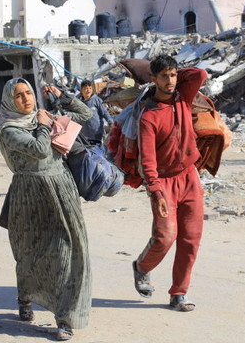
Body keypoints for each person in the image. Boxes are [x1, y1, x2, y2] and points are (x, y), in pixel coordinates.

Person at [0, 78, 94, 341]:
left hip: (61, 188)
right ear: (9, 101)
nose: (26, 99)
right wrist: (43, 124)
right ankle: (25, 297)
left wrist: (62, 96)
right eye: (19, 96)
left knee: (67, 250)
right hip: (29, 194)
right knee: (29, 253)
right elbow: (39, 149)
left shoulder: (46, 116)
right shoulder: (8, 128)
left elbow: (86, 113)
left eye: (29, 93)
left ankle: (64, 318)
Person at [131, 55, 207, 312]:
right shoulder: (148, 116)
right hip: (163, 181)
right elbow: (148, 161)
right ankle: (142, 267)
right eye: (164, 76)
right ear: (153, 79)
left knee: (191, 239)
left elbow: (200, 75)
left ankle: (178, 294)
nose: (171, 80)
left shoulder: (184, 97)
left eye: (173, 75)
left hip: (189, 177)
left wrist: (173, 67)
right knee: (165, 237)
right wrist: (156, 192)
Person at [76, 80, 113, 145]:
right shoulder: (79, 102)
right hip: (84, 134)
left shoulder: (96, 100)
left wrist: (111, 122)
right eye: (86, 88)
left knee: (97, 151)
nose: (88, 90)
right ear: (81, 90)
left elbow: (105, 112)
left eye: (90, 88)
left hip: (97, 133)